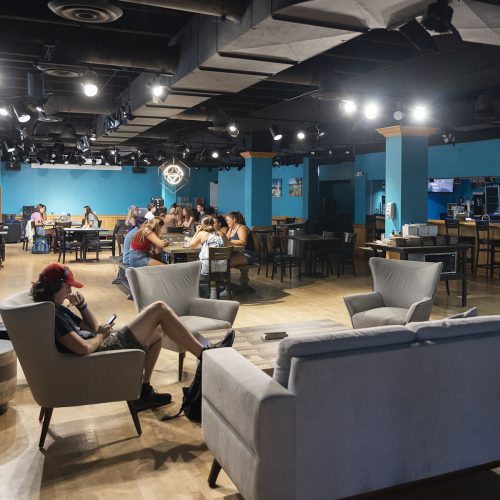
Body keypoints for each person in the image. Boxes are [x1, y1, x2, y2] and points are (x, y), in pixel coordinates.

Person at [30, 263, 235, 410]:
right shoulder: (52, 315)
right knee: (159, 309)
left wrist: (82, 306)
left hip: (101, 345)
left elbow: (90, 327)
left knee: (157, 332)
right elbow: (83, 349)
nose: (70, 289)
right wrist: (101, 336)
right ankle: (205, 355)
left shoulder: (55, 308)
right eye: (67, 286)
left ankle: (143, 390)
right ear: (54, 286)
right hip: (101, 352)